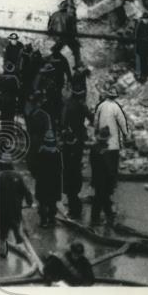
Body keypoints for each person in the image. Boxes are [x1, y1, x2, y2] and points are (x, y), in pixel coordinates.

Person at [91, 85, 129, 226]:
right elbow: (122, 122)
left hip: (99, 168)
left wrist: (95, 131)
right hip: (112, 146)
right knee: (103, 194)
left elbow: (95, 121)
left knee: (101, 195)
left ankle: (105, 215)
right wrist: (125, 134)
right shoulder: (116, 108)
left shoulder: (100, 106)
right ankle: (102, 217)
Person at [28, 95, 61, 227]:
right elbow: (60, 168)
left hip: (42, 181)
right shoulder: (57, 154)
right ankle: (52, 219)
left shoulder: (40, 153)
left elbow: (34, 166)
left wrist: (36, 174)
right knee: (52, 201)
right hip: (53, 181)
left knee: (42, 201)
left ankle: (43, 221)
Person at [61, 78, 90, 219]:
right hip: (80, 134)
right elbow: (91, 117)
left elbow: (63, 122)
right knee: (76, 163)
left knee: (70, 167)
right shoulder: (81, 106)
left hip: (72, 135)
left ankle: (74, 209)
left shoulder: (68, 105)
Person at [0, 158, 33, 258]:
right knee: (17, 229)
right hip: (15, 208)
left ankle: (2, 251)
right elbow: (25, 191)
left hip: (2, 210)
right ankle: (22, 249)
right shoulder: (18, 176)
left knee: (3, 231)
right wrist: (29, 201)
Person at [47, 0, 81, 66]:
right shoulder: (70, 16)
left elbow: (49, 27)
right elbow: (73, 30)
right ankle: (77, 65)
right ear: (66, 8)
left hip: (56, 37)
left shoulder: (54, 14)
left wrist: (52, 35)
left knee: (57, 48)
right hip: (66, 37)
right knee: (76, 50)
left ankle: (53, 56)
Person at [132, 11, 148, 83]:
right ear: (142, 19)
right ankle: (144, 74)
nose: (145, 20)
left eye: (147, 19)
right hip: (141, 46)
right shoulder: (140, 25)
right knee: (142, 60)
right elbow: (137, 36)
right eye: (144, 19)